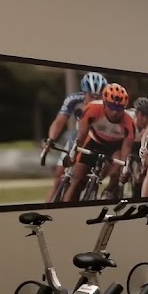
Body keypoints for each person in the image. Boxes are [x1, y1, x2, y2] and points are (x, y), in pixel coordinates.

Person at [64, 83, 135, 201]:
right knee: (77, 180)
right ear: (104, 103)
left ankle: (109, 193)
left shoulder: (129, 122)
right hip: (94, 141)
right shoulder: (92, 108)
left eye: (119, 108)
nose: (115, 112)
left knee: (117, 170)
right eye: (111, 106)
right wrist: (73, 155)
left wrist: (124, 170)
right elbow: (81, 137)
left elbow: (125, 152)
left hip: (115, 147)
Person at [43, 71, 107, 202]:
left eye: (98, 96)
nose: (95, 100)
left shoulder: (108, 107)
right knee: (58, 178)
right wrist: (51, 139)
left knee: (79, 181)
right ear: (84, 93)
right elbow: (59, 121)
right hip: (78, 137)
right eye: (91, 96)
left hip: (96, 141)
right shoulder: (74, 100)